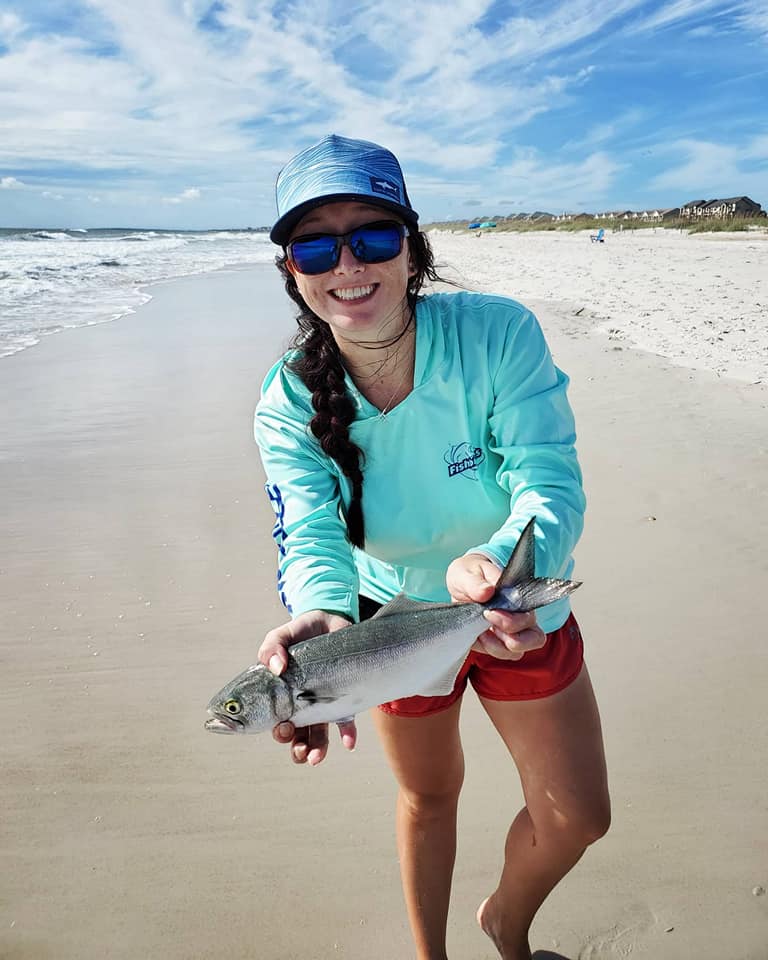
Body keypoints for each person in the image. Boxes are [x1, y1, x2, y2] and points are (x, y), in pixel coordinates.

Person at [254, 134, 610, 960]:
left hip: (511, 602)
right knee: (430, 797)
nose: (348, 262)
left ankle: (504, 925)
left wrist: (497, 559)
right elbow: (307, 530)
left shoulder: (496, 335)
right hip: (387, 626)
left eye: (373, 235)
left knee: (579, 816)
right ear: (291, 271)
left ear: (413, 248)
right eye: (315, 244)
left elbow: (545, 476)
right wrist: (320, 612)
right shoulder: (285, 400)